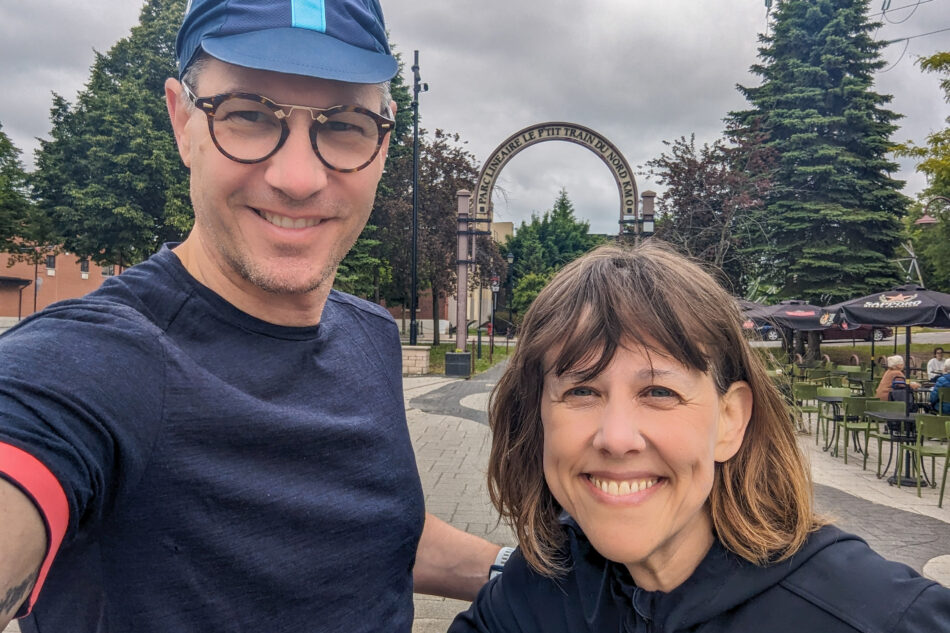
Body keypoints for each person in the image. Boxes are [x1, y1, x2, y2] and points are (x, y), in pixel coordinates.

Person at [0, 1, 503, 630]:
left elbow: (367, 530)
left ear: (384, 140)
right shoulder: (95, 362)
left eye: (345, 123)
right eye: (247, 116)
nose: (298, 177)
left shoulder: (367, 335)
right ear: (182, 121)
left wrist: (528, 574)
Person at [450, 243, 950, 633]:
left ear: (730, 420)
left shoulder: (879, 615)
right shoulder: (532, 595)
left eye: (659, 391)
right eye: (581, 390)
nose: (616, 438)